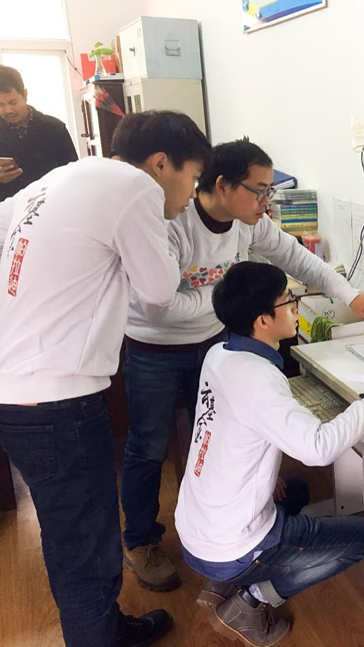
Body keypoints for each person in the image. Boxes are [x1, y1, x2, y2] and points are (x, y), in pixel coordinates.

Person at [120, 140, 364, 593]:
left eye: (270, 191)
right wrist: (228, 298)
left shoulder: (248, 222)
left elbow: (299, 259)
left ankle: (228, 518)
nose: (267, 202)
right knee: (148, 447)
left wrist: (350, 295)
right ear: (224, 185)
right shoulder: (172, 221)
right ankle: (142, 541)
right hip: (158, 346)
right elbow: (157, 306)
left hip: (215, 339)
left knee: (217, 432)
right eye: (260, 190)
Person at [0, 110, 211, 647]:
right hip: (57, 401)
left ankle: (107, 627)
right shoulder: (132, 186)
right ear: (160, 163)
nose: (190, 194)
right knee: (86, 545)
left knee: (72, 533)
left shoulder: (58, 178)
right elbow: (159, 290)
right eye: (191, 178)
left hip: (22, 392)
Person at [175, 261, 364, 644]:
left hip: (198, 528)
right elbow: (318, 448)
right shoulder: (260, 379)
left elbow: (232, 431)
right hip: (230, 544)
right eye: (288, 300)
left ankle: (223, 584)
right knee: (360, 538)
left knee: (297, 489)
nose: (295, 306)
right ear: (262, 321)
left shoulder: (219, 354)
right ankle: (250, 600)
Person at [0, 65, 78, 202]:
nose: (8, 110)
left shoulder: (55, 128)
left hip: (50, 204)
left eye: (13, 102)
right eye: (0, 105)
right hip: (8, 208)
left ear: (25, 94)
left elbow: (73, 174)